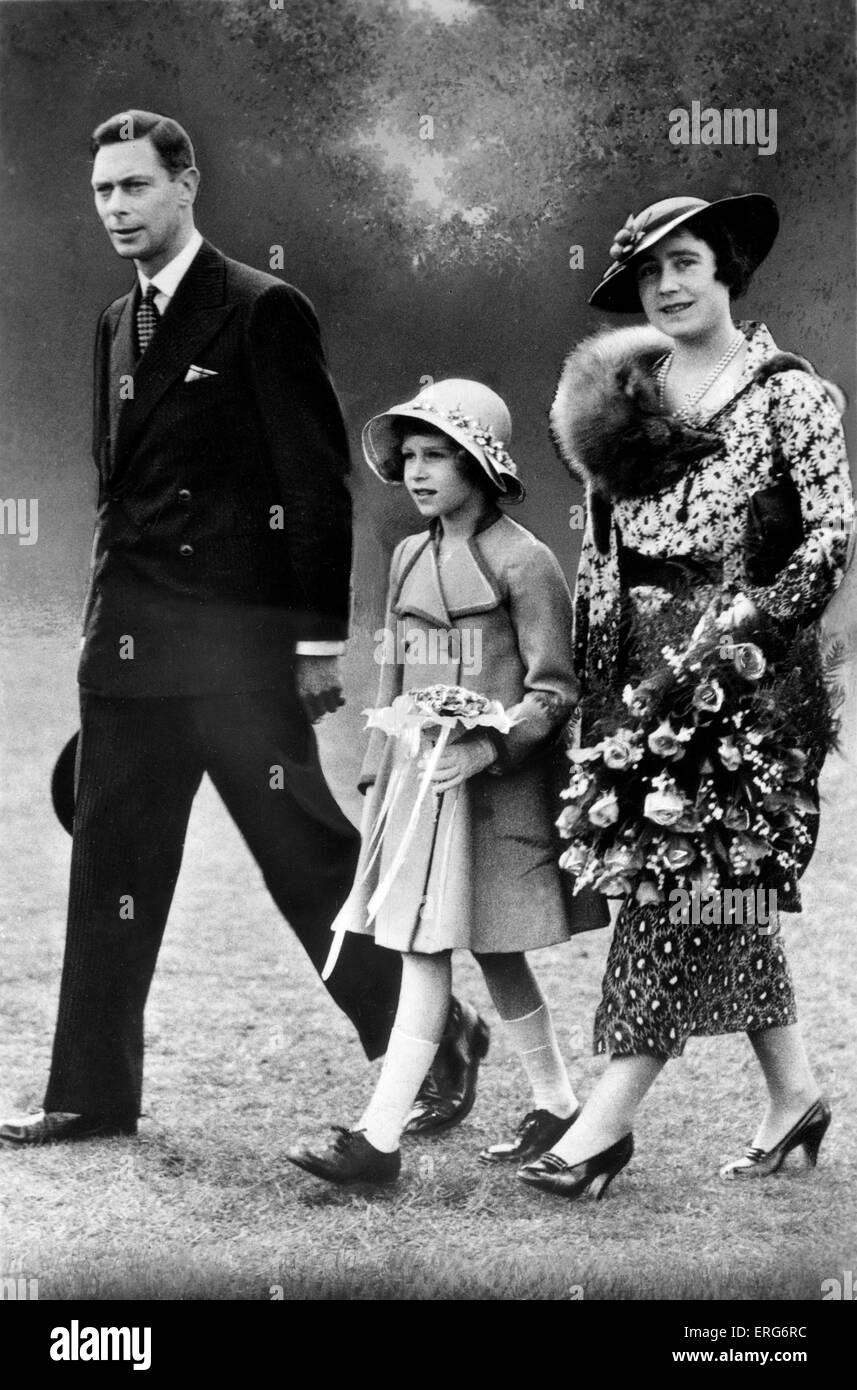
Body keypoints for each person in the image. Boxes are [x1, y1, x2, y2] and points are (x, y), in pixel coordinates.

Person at [0, 111, 486, 1148]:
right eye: (103, 192)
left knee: (305, 860)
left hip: (236, 659)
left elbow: (313, 488)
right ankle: (90, 1093)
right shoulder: (109, 324)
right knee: (111, 870)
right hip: (127, 652)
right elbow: (117, 502)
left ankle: (434, 1035)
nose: (118, 209)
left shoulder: (262, 310)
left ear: (186, 186)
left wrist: (313, 641)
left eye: (135, 187)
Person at [520, 194, 853, 1201]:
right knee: (712, 886)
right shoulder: (618, 394)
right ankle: (792, 1095)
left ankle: (600, 1127)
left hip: (750, 678)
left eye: (684, 262)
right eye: (646, 273)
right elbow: (599, 560)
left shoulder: (788, 393)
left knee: (683, 881)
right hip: (638, 675)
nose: (665, 284)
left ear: (726, 268)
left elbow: (830, 537)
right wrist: (591, 687)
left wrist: (746, 625)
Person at [287, 378, 606, 1184]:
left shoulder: (526, 562)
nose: (419, 472)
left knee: (481, 949)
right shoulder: (405, 555)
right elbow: (392, 667)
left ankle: (380, 1139)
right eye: (411, 457)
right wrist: (376, 769)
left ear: (480, 464)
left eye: (438, 456)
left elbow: (554, 690)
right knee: (426, 948)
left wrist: (489, 749)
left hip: (493, 794)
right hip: (414, 788)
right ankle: (545, 1105)